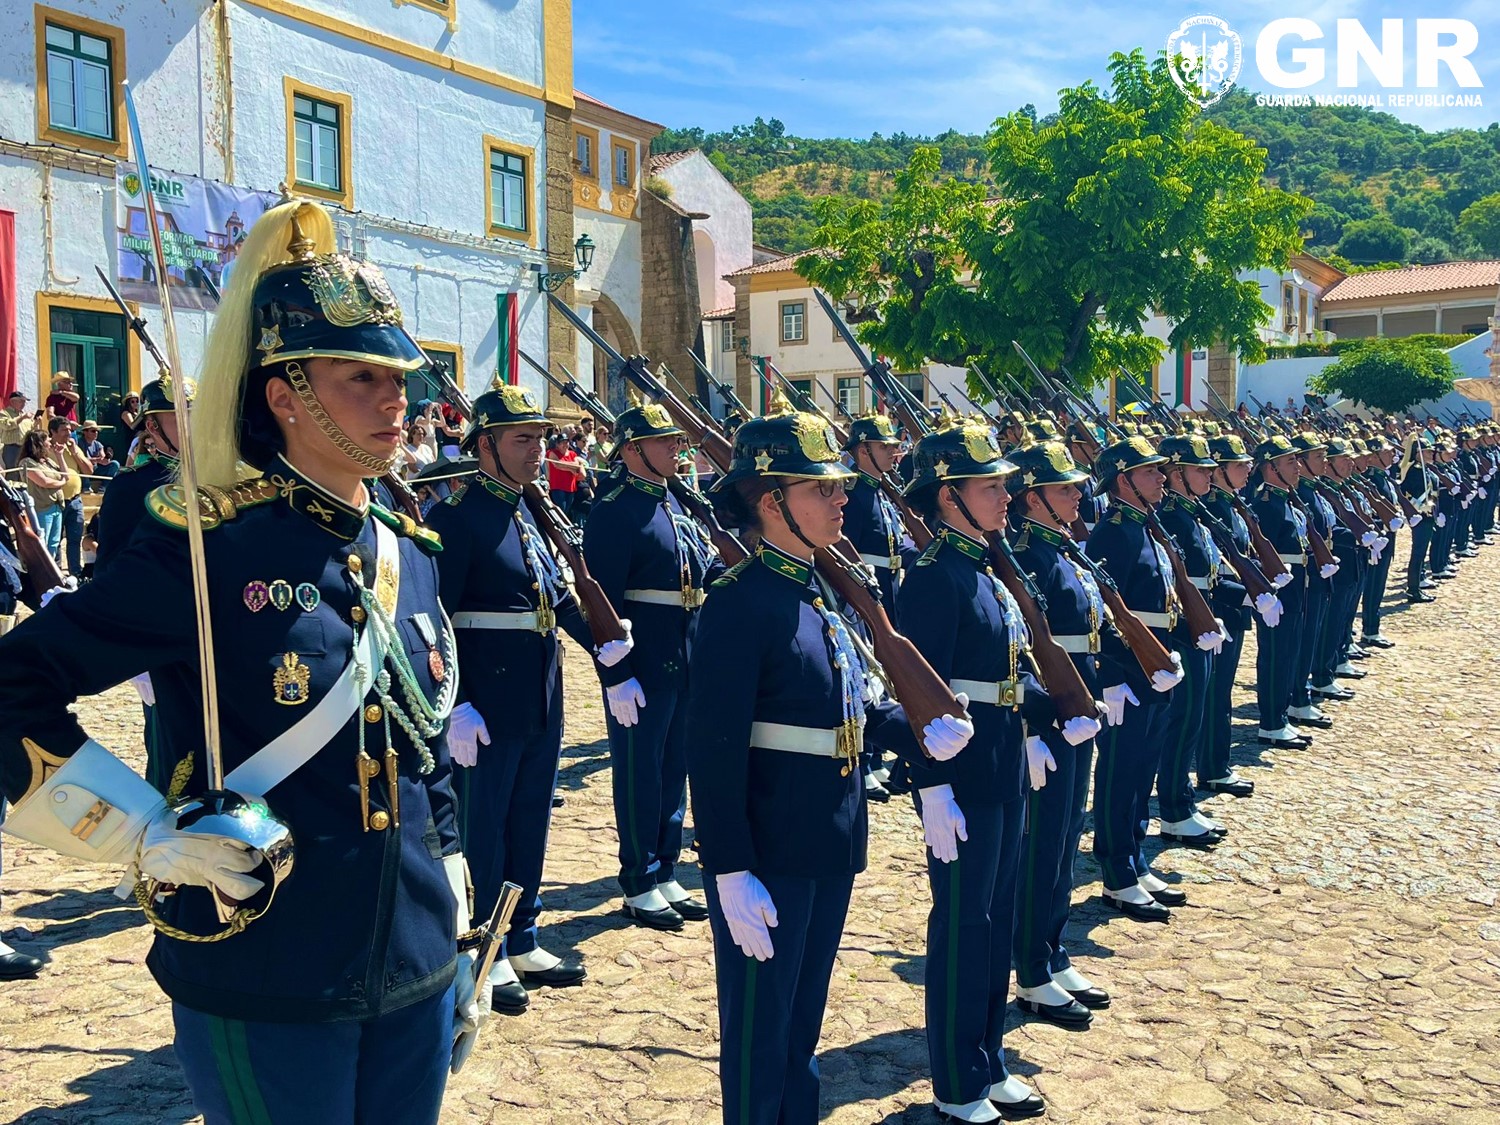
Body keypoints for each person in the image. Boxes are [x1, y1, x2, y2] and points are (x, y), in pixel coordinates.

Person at [0, 197, 490, 1121]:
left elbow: (422, 747)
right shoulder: (206, 554)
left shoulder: (407, 555)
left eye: (400, 381)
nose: (397, 402)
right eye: (361, 379)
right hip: (268, 962)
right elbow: (13, 686)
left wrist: (451, 890)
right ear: (284, 396)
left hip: (414, 960)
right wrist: (137, 830)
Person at [687, 411, 973, 1125]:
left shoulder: (820, 591)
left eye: (841, 485)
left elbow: (846, 707)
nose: (841, 498)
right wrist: (728, 865)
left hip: (828, 836)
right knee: (760, 1036)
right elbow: (714, 748)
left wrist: (916, 732)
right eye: (821, 488)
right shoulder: (738, 604)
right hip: (770, 850)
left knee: (801, 1029)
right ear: (769, 500)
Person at [897, 423, 1103, 1122]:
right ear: (948, 495)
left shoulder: (985, 568)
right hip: (964, 776)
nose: (1007, 495)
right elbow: (915, 691)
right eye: (991, 485)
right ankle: (957, 1080)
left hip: (1005, 760)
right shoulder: (932, 578)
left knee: (994, 919)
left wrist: (1051, 715)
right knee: (963, 924)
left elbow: (1004, 675)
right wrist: (929, 786)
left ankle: (989, 1060)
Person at [426, 382, 633, 1017]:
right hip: (484, 704)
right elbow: (430, 619)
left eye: (540, 438)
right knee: (483, 830)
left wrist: (606, 644)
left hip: (541, 695)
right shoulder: (455, 521)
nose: (537, 450)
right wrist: (453, 701)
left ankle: (523, 934)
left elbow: (553, 599)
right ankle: (484, 950)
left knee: (530, 823)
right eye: (522, 439)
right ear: (484, 445)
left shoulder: (531, 514)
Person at [1007, 440, 1138, 1031]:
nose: (1078, 494)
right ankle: (1032, 968)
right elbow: (1021, 651)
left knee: (1065, 833)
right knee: (1042, 841)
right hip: (1050, 712)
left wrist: (1108, 681)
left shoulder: (1065, 551)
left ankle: (1053, 950)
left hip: (1078, 705)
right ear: (1032, 498)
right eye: (1063, 488)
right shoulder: (1024, 558)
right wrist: (1032, 726)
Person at [581, 404, 710, 930]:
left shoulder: (676, 502)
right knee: (640, 771)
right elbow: (599, 600)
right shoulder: (614, 509)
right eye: (664, 443)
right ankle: (638, 878)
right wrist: (614, 672)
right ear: (632, 449)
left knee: (674, 765)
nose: (676, 450)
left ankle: (665, 866)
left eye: (677, 442)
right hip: (643, 661)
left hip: (684, 653)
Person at [1084, 436, 1189, 921]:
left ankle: (1135, 853)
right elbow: (1105, 614)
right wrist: (1116, 675)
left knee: (1143, 766)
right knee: (1119, 771)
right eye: (1150, 472)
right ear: (1124, 480)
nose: (1162, 478)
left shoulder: (1145, 527)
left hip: (1155, 665)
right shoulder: (1111, 534)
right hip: (1128, 672)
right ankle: (1116, 869)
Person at [1250, 435, 1316, 747]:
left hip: (1295, 586)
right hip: (1277, 591)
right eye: (1290, 462)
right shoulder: (1266, 505)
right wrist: (1268, 594)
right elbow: (1260, 554)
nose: (1298, 467)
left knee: (1289, 651)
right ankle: (1271, 722)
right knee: (1275, 654)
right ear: (1271, 468)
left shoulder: (1283, 500)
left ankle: (1282, 714)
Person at [45, 416, 92, 578]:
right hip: (54, 502)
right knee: (55, 540)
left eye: (70, 430)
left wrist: (75, 453)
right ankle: (57, 574)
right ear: (53, 432)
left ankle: (75, 573)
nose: (69, 434)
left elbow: (89, 471)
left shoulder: (73, 447)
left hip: (75, 500)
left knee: (75, 539)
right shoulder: (44, 449)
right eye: (65, 430)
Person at [19, 430, 67, 561]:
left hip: (56, 506)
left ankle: (50, 572)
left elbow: (65, 474)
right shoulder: (27, 462)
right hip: (42, 508)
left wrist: (59, 456)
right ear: (40, 443)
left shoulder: (47, 461)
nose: (51, 442)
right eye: (48, 440)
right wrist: (61, 482)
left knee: (54, 543)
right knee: (42, 543)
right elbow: (44, 482)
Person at [75, 420, 120, 492]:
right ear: (85, 432)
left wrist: (105, 460)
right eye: (93, 431)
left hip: (96, 469)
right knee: (82, 465)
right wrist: (96, 460)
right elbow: (80, 459)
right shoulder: (79, 443)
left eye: (97, 431)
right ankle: (86, 487)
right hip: (84, 470)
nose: (96, 433)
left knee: (115, 464)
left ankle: (104, 487)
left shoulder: (98, 444)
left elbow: (102, 456)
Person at [545, 433, 583, 515]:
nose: (565, 444)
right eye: (563, 442)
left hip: (570, 487)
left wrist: (567, 466)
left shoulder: (572, 454)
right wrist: (570, 469)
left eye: (567, 442)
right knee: (561, 509)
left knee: (567, 510)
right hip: (558, 485)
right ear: (557, 444)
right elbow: (558, 465)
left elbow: (576, 466)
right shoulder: (552, 452)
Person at [1, 391, 31, 471]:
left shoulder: (24, 414)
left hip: (25, 447)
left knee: (24, 471)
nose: (23, 404)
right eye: (21, 401)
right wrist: (22, 418)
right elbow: (7, 425)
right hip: (12, 448)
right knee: (12, 471)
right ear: (12, 401)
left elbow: (29, 430)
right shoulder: (4, 413)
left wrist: (36, 423)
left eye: (24, 402)